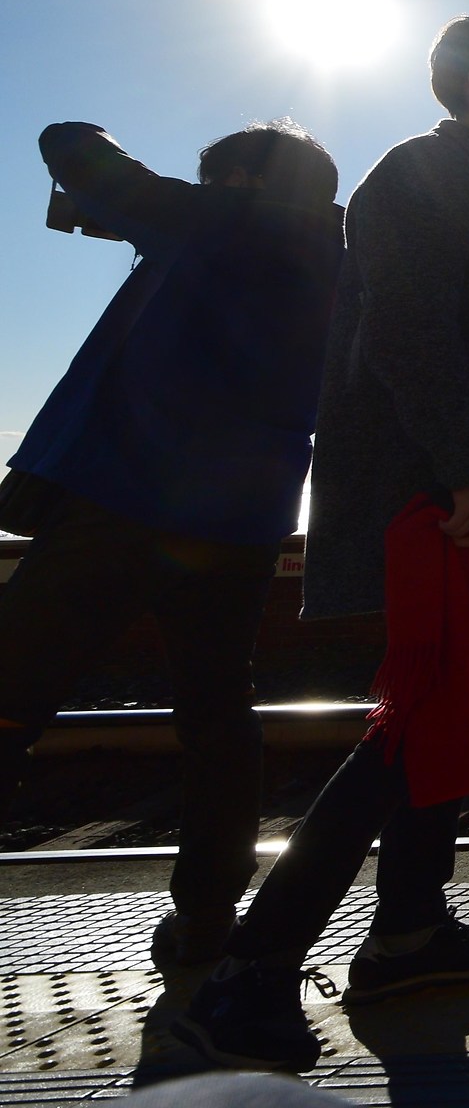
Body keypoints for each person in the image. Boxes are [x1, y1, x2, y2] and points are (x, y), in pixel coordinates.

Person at [175, 13, 469, 1071]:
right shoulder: (422, 172)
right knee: (413, 722)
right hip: (447, 505)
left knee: (443, 716)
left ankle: (410, 935)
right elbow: (407, 327)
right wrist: (467, 470)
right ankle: (252, 969)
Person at [0, 120, 343, 968]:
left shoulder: (218, 222)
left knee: (10, 689)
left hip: (125, 501)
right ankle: (207, 918)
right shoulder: (337, 258)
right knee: (217, 716)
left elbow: (68, 140)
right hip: (241, 524)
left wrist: (137, 204)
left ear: (244, 181)